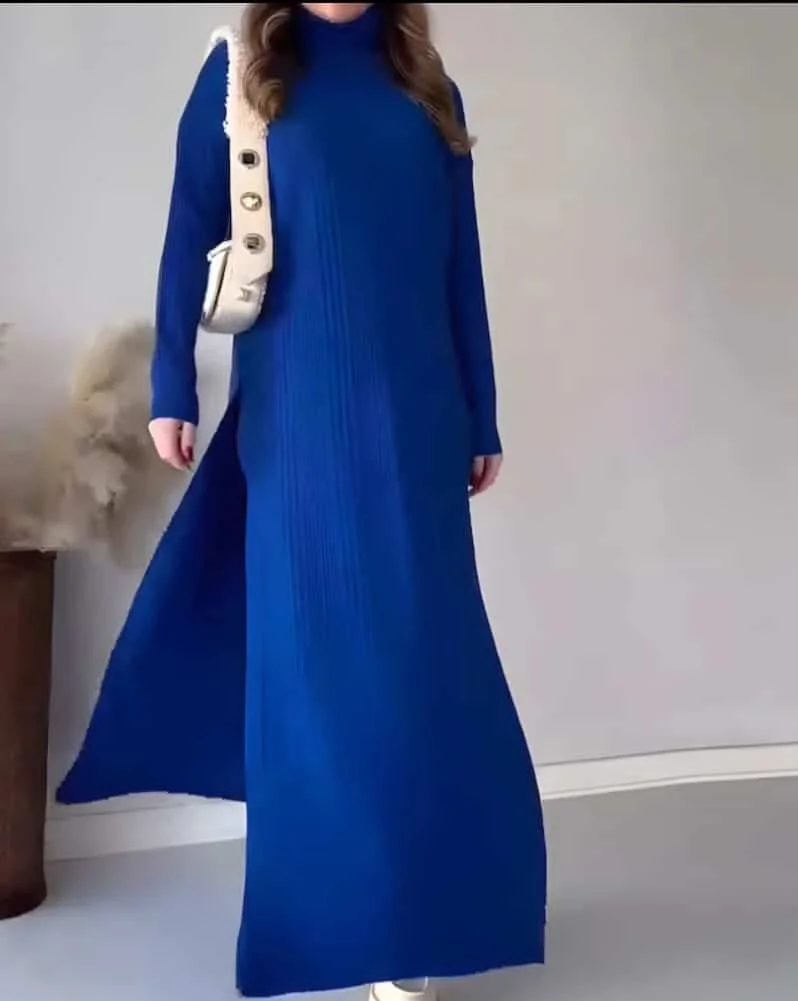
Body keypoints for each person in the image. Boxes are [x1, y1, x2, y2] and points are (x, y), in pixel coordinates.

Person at [57, 4, 547, 999]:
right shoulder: (239, 78)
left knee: (420, 673)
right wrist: (169, 386)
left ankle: (417, 926)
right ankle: (335, 923)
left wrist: (482, 411)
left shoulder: (428, 88)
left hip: (418, 426)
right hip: (297, 424)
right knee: (320, 683)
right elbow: (189, 230)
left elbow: (462, 267)